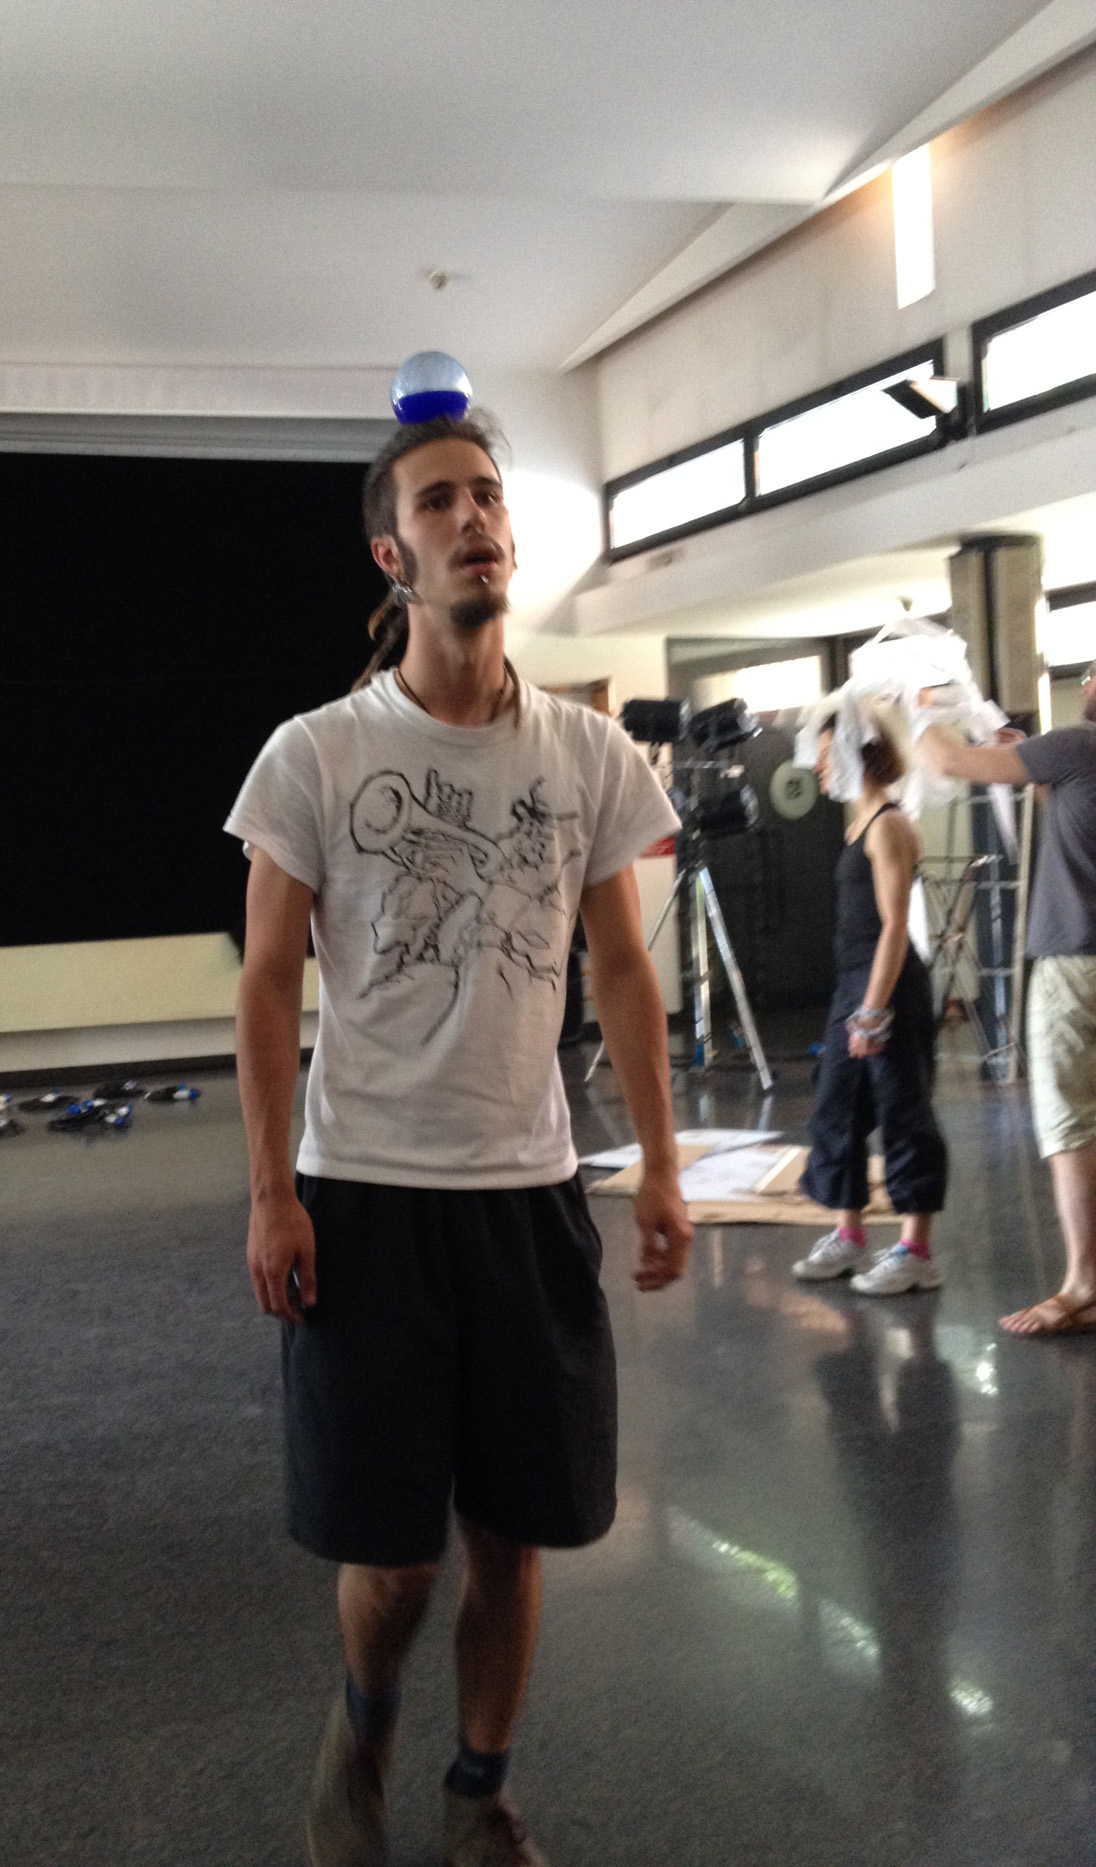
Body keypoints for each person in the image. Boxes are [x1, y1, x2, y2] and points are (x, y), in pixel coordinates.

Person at [225, 410, 692, 1867]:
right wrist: (269, 1192)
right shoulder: (316, 753)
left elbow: (623, 969)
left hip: (525, 1193)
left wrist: (660, 1162)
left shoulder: (588, 753)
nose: (474, 517)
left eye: (487, 495)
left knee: (511, 1533)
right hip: (364, 1192)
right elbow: (265, 980)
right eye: (439, 501)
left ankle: (478, 1790)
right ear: (393, 553)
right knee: (396, 1560)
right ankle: (363, 1722)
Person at [918, 673, 1096, 1336]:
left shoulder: (1077, 744)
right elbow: (1069, 810)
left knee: (1070, 1126)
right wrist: (1026, 758)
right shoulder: (1071, 759)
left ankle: (1085, 1284)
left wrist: (918, 706)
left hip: (1075, 965)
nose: (1087, 681)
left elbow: (947, 760)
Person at [793, 710, 948, 1294]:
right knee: (837, 1107)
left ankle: (915, 1251)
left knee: (903, 1112)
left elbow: (895, 926)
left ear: (858, 754)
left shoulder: (888, 826)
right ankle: (850, 1236)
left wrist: (874, 1010)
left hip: (889, 985)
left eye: (827, 753)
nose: (818, 764)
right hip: (853, 982)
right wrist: (855, 1003)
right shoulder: (858, 824)